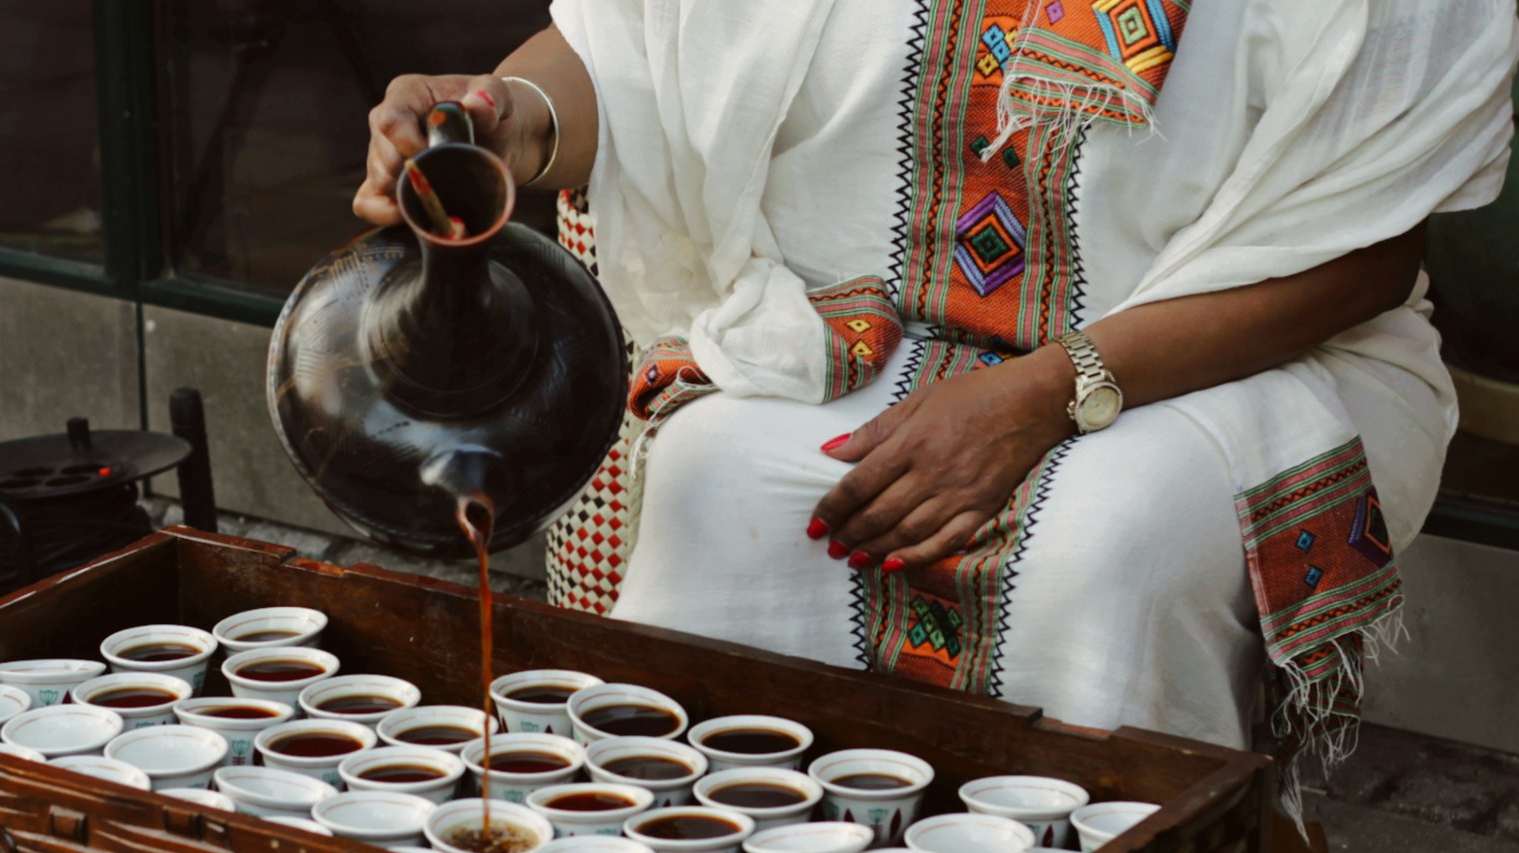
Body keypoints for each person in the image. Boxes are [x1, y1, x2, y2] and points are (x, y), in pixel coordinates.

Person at [353, 0, 1519, 806]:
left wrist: (1045, 393)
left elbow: (1362, 256)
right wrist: (502, 111)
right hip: (872, 330)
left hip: (1233, 353)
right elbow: (632, 57)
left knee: (1099, 539)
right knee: (720, 483)